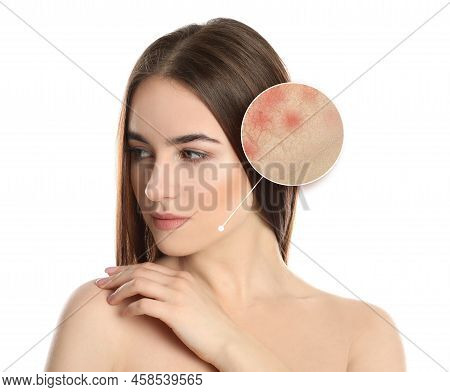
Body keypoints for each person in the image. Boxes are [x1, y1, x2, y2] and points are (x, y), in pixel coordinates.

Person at [44, 17, 406, 372]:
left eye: (192, 154)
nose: (154, 188)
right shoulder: (104, 316)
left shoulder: (364, 336)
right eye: (141, 152)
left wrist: (229, 345)